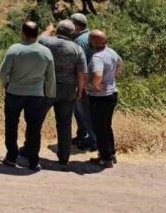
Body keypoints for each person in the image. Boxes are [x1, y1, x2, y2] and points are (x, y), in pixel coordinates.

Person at [0, 21, 56, 171]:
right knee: (34, 128)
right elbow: (50, 77)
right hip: (36, 95)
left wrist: (6, 84)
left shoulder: (14, 49)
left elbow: (2, 72)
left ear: (22, 33)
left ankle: (11, 157)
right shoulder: (45, 52)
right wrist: (49, 94)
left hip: (14, 93)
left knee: (11, 125)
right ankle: (33, 161)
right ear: (37, 34)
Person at [38, 19, 87, 166]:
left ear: (58, 30)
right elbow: (81, 72)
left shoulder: (46, 42)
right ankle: (64, 157)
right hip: (68, 89)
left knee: (36, 120)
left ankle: (30, 150)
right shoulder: (77, 49)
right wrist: (80, 90)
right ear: (72, 33)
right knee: (65, 124)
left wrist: (49, 29)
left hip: (47, 87)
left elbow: (40, 37)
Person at [87, 30, 123, 169]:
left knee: (99, 128)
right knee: (106, 126)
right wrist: (112, 78)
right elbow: (120, 64)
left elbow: (97, 74)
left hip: (100, 98)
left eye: (90, 39)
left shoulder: (97, 57)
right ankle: (111, 154)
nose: (88, 41)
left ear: (94, 41)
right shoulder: (111, 52)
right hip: (111, 94)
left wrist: (95, 85)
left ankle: (105, 158)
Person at [70, 12, 97, 152]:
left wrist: (80, 86)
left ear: (76, 26)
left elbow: (81, 66)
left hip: (83, 83)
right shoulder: (91, 36)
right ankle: (82, 136)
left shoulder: (79, 41)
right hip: (92, 82)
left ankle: (91, 141)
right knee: (82, 112)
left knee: (83, 113)